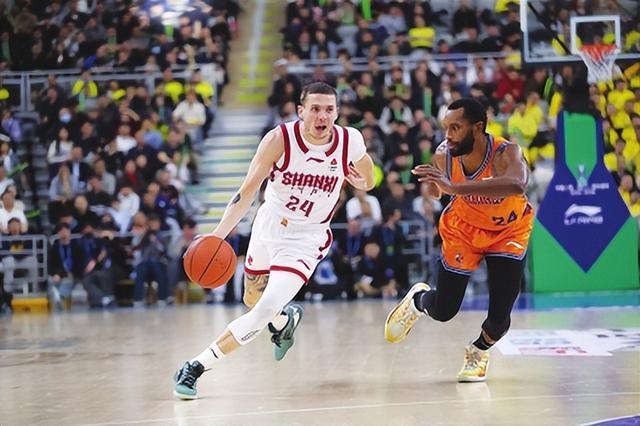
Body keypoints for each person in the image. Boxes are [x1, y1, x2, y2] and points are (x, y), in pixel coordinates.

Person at [174, 82, 375, 399]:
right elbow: (246, 192)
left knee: (264, 309)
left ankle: (195, 366)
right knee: (252, 300)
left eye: (329, 109)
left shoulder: (350, 140)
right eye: (315, 109)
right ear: (301, 111)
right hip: (268, 225)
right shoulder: (279, 139)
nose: (322, 116)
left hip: (306, 239)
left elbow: (369, 174)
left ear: (337, 112)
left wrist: (364, 182)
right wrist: (217, 236)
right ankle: (285, 320)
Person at [384, 98, 533, 382]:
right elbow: (439, 191)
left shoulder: (505, 152)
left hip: (508, 231)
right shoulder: (444, 154)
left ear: (477, 128)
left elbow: (518, 184)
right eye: (446, 127)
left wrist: (456, 187)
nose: (448, 135)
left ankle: (478, 350)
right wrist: (433, 186)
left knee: (499, 320)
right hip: (464, 230)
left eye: (455, 128)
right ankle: (417, 301)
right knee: (444, 310)